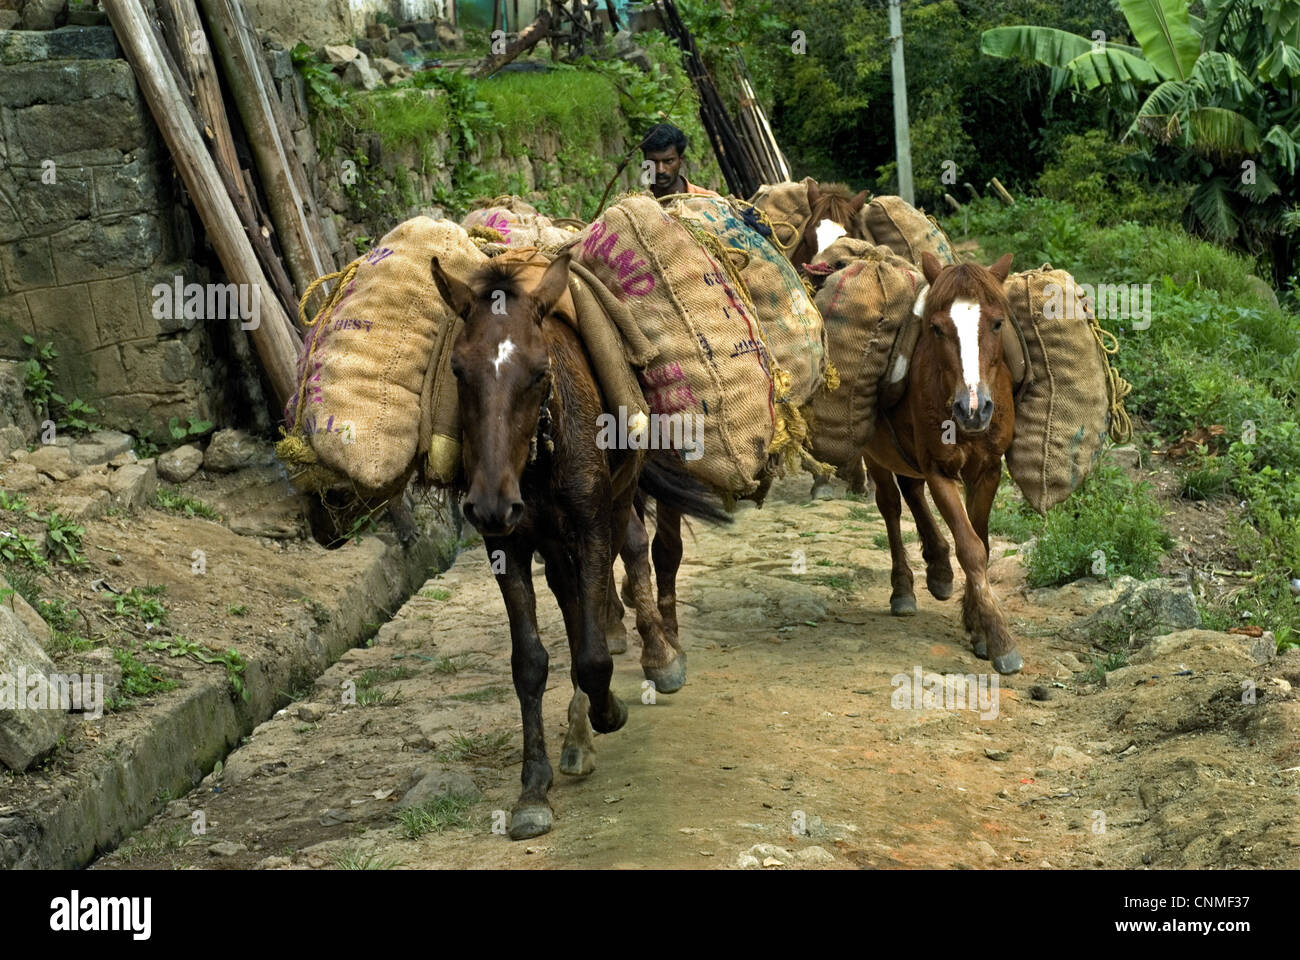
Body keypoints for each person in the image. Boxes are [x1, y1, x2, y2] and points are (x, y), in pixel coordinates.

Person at [642, 123, 721, 199]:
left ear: (681, 160)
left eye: (668, 161)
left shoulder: (709, 200)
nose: (660, 170)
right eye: (653, 162)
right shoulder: (635, 207)